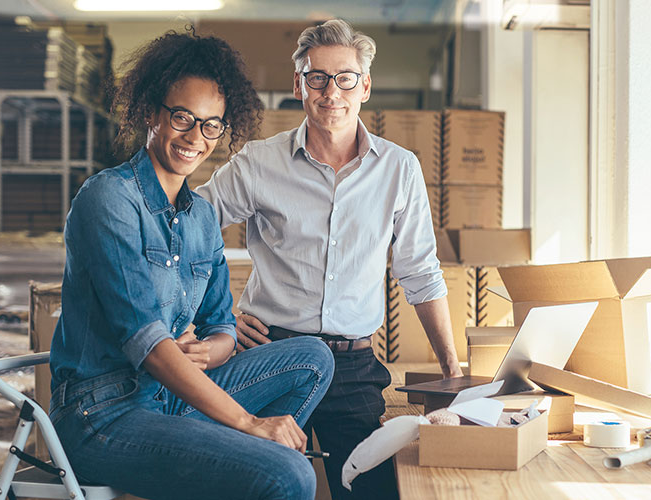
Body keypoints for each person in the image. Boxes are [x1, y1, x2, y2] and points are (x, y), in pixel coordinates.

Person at [48, 30, 334, 500]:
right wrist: (249, 424)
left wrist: (210, 351)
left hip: (173, 399)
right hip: (102, 416)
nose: (194, 138)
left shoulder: (200, 214)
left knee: (313, 358)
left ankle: (235, 465)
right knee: (289, 475)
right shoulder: (109, 200)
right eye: (182, 117)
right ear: (149, 113)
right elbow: (148, 343)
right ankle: (252, 463)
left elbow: (221, 325)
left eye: (210, 125)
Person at [196, 19, 463, 499]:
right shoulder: (259, 163)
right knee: (261, 489)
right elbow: (187, 233)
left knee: (370, 491)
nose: (330, 91)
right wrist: (218, 321)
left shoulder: (400, 169)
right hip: (269, 357)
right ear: (299, 84)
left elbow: (420, 273)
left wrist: (452, 370)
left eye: (344, 78)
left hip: (353, 366)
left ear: (365, 86)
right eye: (317, 77)